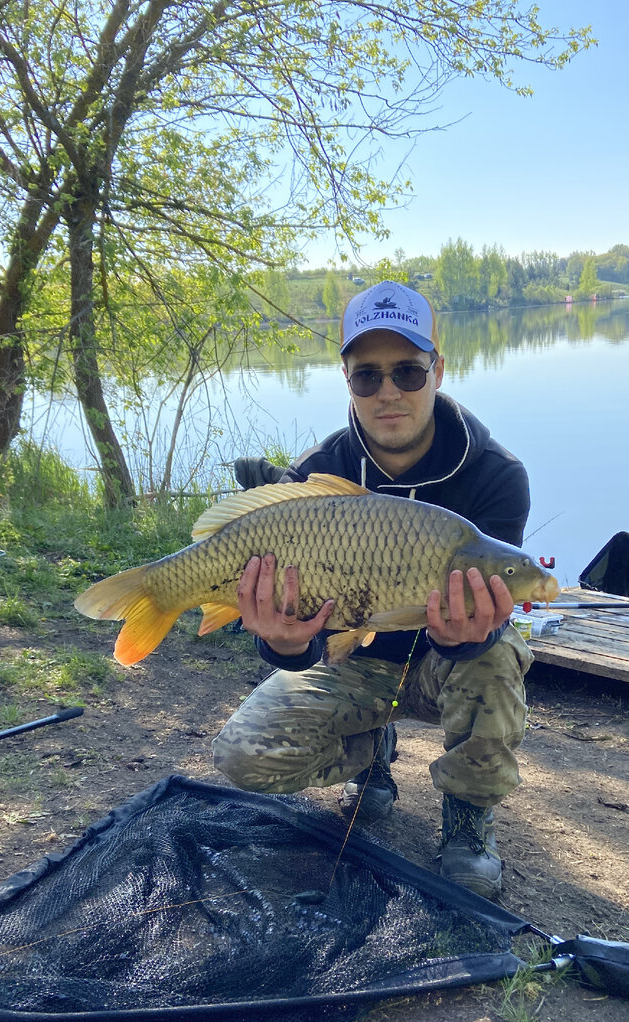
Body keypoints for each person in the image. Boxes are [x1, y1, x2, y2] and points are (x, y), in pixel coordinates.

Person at [215, 281, 533, 898]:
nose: (388, 392)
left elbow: (491, 604)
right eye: (367, 377)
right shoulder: (317, 474)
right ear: (347, 380)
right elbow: (299, 644)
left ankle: (468, 816)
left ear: (437, 370)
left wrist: (472, 637)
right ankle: (369, 750)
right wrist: (281, 645)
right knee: (243, 758)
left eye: (407, 372)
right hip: (352, 660)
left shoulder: (498, 474)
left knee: (495, 654)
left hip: (448, 664)